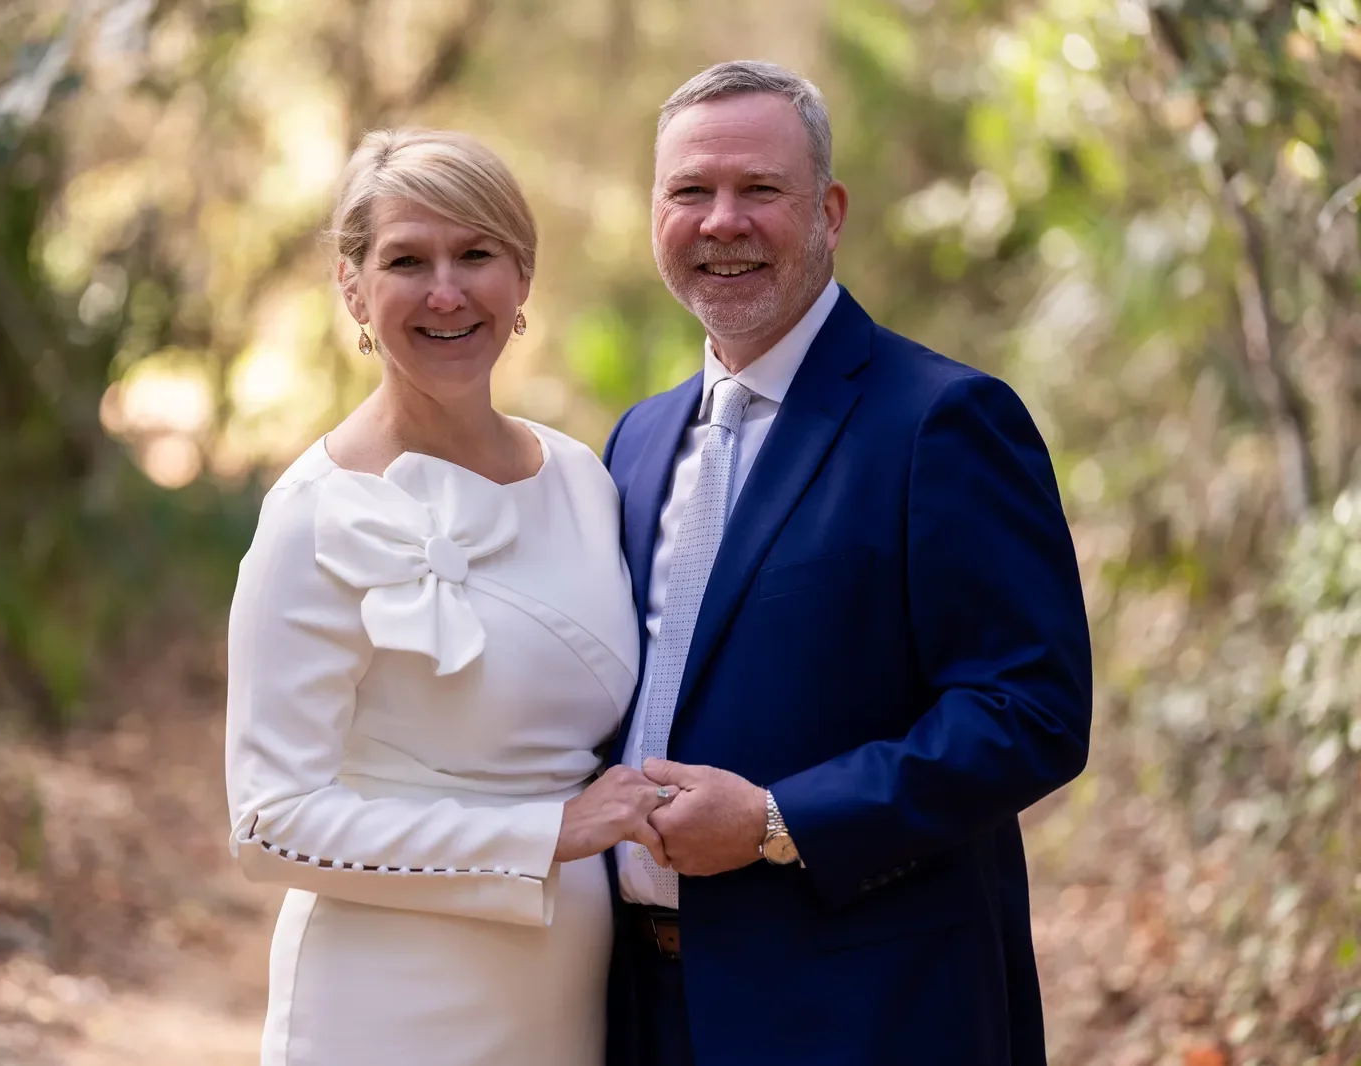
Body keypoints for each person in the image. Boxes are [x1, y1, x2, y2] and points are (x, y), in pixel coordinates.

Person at [601, 61, 1093, 1065]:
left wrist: (778, 820)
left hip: (864, 1007)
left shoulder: (942, 422)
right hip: (641, 1005)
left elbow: (1028, 711)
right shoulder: (634, 442)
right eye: (689, 191)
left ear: (828, 211)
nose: (721, 221)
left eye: (760, 191)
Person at [223, 128, 675, 1066]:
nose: (445, 290)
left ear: (522, 281)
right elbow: (268, 824)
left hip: (569, 996)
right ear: (352, 288)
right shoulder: (311, 515)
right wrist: (542, 833)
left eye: (476, 254)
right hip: (385, 1000)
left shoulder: (584, 479)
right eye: (405, 260)